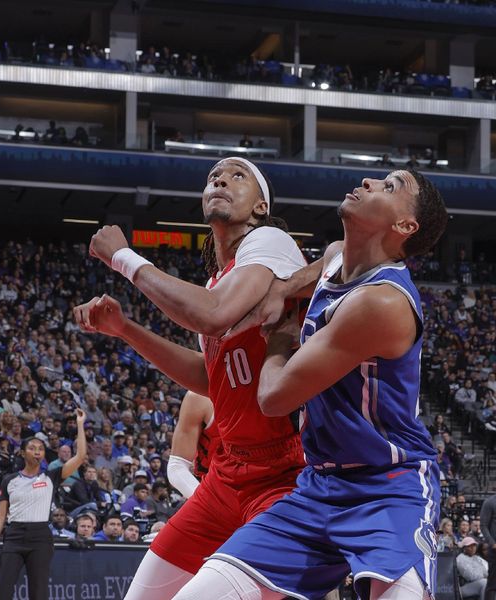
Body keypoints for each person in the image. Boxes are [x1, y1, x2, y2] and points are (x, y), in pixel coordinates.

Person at [169, 168, 447, 600]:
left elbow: (274, 398)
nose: (371, 182)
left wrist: (280, 337)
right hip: (318, 486)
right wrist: (283, 288)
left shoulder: (381, 302)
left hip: (386, 488)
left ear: (404, 227)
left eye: (391, 187)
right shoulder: (337, 256)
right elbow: (319, 267)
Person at [74, 157, 307, 599]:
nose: (220, 179)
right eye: (213, 177)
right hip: (227, 474)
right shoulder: (219, 280)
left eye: (238, 175)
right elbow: (208, 377)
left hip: (284, 475)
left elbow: (212, 314)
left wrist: (123, 257)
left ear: (261, 207)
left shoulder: (271, 243)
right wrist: (125, 329)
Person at [0, 409, 87, 600]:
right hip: (14, 536)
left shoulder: (51, 476)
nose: (37, 451)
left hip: (40, 537)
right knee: (2, 591)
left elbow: (81, 456)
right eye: (32, 448)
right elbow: (1, 515)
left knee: (39, 593)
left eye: (40, 448)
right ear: (23, 453)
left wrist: (80, 424)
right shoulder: (10, 480)